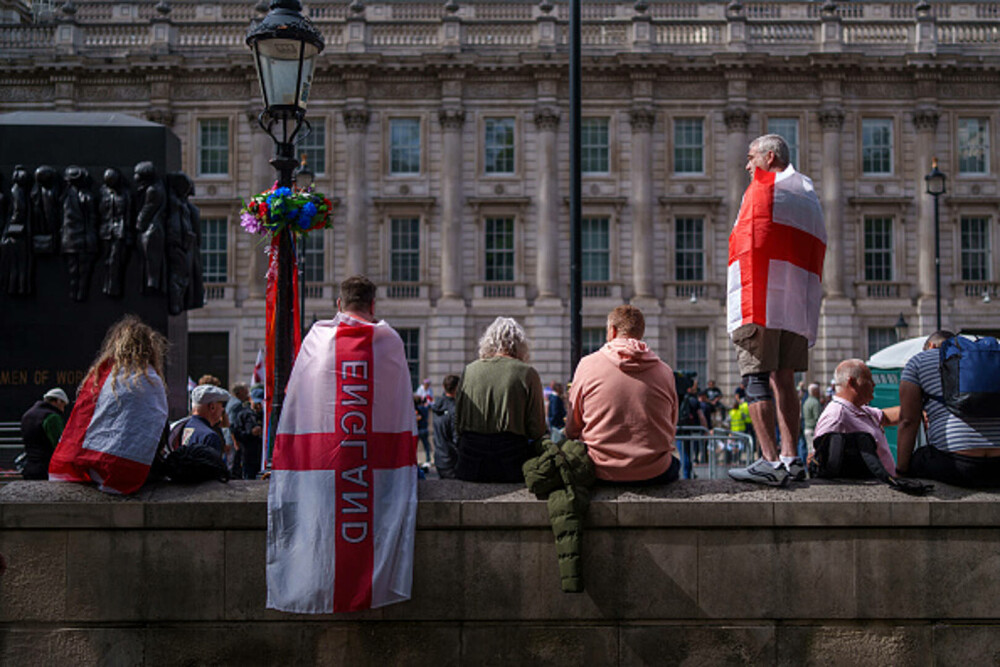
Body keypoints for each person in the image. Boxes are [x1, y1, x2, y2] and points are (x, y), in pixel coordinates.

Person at [267, 275, 418, 613]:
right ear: (373, 305)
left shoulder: (317, 340)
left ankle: (317, 586)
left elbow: (296, 406)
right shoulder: (390, 341)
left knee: (323, 535)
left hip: (324, 468)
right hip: (373, 470)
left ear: (339, 304)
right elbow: (400, 410)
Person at [727, 134, 826, 487]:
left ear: (769, 157)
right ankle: (790, 459)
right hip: (794, 302)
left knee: (755, 376)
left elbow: (747, 241)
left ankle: (768, 461)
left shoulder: (761, 190)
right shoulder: (806, 194)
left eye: (751, 157)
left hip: (760, 297)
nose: (747, 165)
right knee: (785, 378)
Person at [49, 315, 169, 495]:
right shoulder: (150, 379)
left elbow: (80, 420)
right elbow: (157, 428)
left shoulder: (100, 375)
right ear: (150, 348)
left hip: (88, 464)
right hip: (129, 471)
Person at [564, 305, 679, 484]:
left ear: (612, 330)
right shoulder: (665, 371)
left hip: (600, 470)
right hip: (654, 471)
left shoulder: (587, 365)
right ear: (640, 332)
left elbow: (572, 428)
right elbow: (671, 425)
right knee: (676, 464)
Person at [897, 331, 1000, 487]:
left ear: (931, 346)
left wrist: (901, 471)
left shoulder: (919, 361)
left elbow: (908, 421)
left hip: (955, 466)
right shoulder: (992, 360)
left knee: (919, 457)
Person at [454, 317, 547, 482]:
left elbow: (458, 422)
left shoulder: (469, 370)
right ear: (520, 344)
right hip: (512, 463)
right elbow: (537, 429)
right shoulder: (527, 373)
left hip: (470, 463)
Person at [814, 359, 900, 476]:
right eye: (868, 380)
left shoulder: (860, 409)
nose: (873, 384)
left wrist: (919, 409)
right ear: (852, 382)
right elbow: (825, 459)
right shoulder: (836, 417)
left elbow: (887, 417)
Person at [20, 387, 69, 480]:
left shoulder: (27, 415)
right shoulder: (52, 417)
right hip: (46, 468)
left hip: (29, 467)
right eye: (63, 405)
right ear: (58, 401)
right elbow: (59, 444)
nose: (63, 410)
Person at [231, 385, 264, 480]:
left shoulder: (264, 415)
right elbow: (237, 433)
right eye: (256, 403)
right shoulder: (244, 415)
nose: (258, 406)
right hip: (248, 455)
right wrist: (251, 433)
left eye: (260, 403)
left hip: (260, 455)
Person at [431, 374, 460, 479]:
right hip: (451, 460)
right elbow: (456, 438)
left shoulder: (438, 405)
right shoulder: (454, 409)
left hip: (439, 458)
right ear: (457, 388)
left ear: (443, 387)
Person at [678, 380, 707, 479]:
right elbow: (701, 416)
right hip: (692, 430)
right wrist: (705, 430)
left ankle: (686, 475)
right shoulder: (694, 400)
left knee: (683, 454)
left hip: (679, 430)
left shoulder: (678, 398)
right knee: (689, 454)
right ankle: (688, 475)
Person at [802, 383, 822, 459]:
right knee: (814, 452)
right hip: (813, 430)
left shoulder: (806, 401)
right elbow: (818, 417)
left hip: (807, 428)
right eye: (818, 391)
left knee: (809, 450)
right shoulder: (815, 403)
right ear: (815, 391)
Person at [414, 395, 431, 467]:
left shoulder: (416, 409)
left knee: (415, 447)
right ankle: (428, 460)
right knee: (426, 446)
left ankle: (414, 460)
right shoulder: (425, 408)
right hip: (425, 429)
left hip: (419, 429)